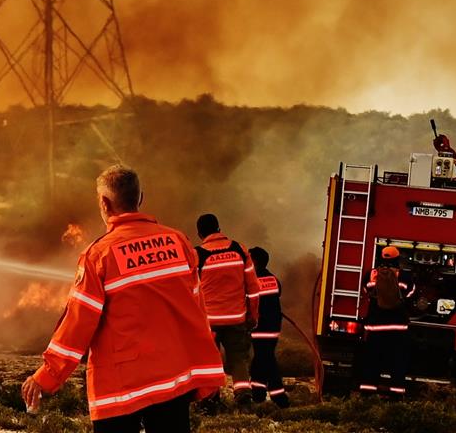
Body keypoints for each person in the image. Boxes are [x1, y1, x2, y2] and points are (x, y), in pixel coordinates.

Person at [21, 165, 226, 432]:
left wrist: (46, 376)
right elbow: (198, 311)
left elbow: (78, 324)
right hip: (174, 380)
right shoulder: (179, 242)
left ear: (104, 203)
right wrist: (204, 369)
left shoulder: (99, 255)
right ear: (140, 198)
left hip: (121, 387)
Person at [194, 213, 262, 405]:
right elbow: (253, 289)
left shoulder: (197, 254)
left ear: (200, 233)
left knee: (210, 362)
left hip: (209, 323)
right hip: (236, 319)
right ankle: (243, 395)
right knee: (239, 359)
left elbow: (190, 291)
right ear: (219, 228)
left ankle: (210, 399)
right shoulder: (239, 249)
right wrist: (253, 315)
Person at [358, 245, 415, 397]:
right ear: (398, 259)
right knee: (398, 365)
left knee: (371, 363)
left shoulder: (371, 275)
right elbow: (410, 295)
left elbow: (366, 292)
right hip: (398, 330)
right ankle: (396, 397)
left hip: (375, 329)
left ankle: (366, 397)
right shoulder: (404, 277)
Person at [246, 246, 288, 407]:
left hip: (260, 327)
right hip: (273, 326)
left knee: (266, 360)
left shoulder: (253, 279)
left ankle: (280, 398)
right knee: (261, 359)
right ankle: (258, 394)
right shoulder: (273, 279)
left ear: (254, 261)